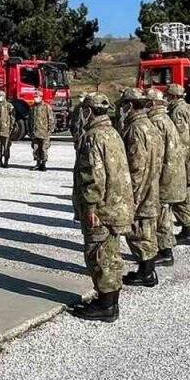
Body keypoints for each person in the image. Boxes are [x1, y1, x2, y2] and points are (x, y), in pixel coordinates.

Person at [69, 93, 133, 322]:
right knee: (111, 254)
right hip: (116, 204)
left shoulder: (92, 137)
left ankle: (106, 306)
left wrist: (90, 206)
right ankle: (109, 301)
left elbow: (94, 175)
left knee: (98, 255)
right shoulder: (113, 133)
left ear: (88, 111)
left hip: (101, 208)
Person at [118, 88, 163, 288]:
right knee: (147, 228)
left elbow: (136, 164)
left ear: (129, 105)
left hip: (140, 186)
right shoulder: (149, 125)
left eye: (123, 105)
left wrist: (131, 194)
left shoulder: (136, 128)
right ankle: (147, 270)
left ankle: (146, 272)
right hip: (151, 182)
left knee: (139, 230)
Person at [147, 88, 186, 266]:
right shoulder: (165, 118)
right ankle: (165, 248)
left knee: (162, 215)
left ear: (152, 103)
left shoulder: (156, 122)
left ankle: (165, 251)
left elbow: (156, 153)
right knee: (165, 213)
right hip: (172, 173)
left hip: (164, 176)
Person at [166, 84, 190, 245]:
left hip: (182, 159)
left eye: (167, 96)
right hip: (189, 157)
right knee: (184, 195)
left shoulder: (177, 111)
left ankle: (187, 232)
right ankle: (187, 228)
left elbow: (180, 138)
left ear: (172, 96)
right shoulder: (187, 108)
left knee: (181, 196)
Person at [0, 90, 15, 168]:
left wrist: (10, 128)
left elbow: (12, 118)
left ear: (4, 96)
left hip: (5, 130)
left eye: (0, 96)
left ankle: (6, 162)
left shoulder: (9, 106)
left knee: (6, 147)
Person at [29, 94, 52, 171]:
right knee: (36, 148)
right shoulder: (32, 107)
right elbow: (30, 120)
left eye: (37, 97)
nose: (35, 98)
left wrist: (49, 131)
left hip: (44, 132)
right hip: (35, 132)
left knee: (44, 149)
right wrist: (30, 131)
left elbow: (51, 119)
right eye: (34, 97)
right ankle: (38, 164)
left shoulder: (46, 107)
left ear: (41, 97)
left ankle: (43, 164)